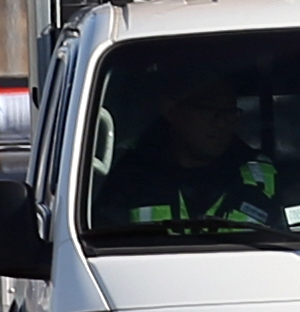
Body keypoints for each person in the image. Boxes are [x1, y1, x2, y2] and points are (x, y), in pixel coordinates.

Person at [107, 77, 282, 234]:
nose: (221, 122)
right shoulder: (127, 171)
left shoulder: (262, 173)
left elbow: (290, 241)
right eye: (208, 109)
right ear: (171, 110)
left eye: (229, 112)